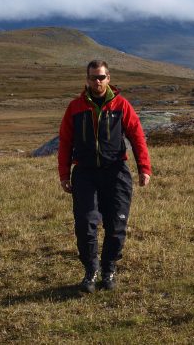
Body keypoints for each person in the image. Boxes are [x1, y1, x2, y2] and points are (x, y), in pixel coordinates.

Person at [58, 59, 151, 293]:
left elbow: (137, 137)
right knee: (85, 224)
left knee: (116, 223)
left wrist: (144, 168)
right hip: (85, 173)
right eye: (93, 77)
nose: (97, 82)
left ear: (109, 79)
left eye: (101, 77)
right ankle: (91, 270)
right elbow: (65, 142)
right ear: (86, 80)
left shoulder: (122, 105)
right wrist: (64, 174)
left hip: (116, 171)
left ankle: (109, 268)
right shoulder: (75, 107)